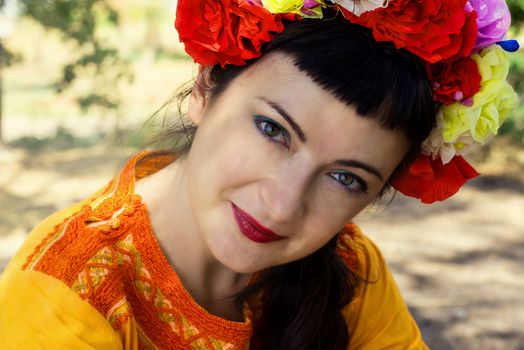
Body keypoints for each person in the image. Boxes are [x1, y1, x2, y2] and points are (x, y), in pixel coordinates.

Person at [0, 1, 518, 349]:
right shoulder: (63, 292)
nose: (282, 206)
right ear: (205, 89)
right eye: (273, 129)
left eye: (346, 178)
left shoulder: (350, 270)